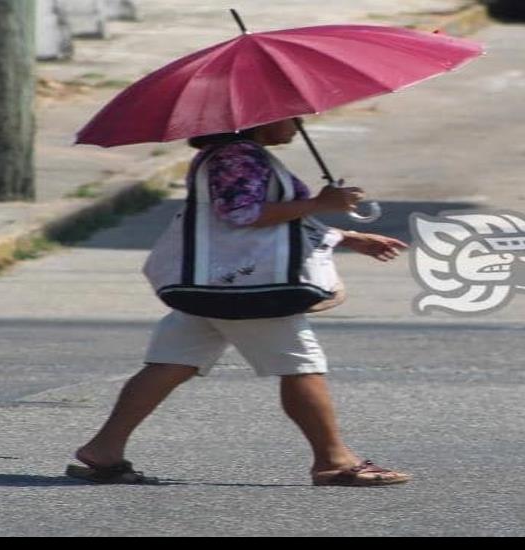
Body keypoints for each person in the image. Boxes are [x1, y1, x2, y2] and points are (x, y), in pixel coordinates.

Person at [68, 118, 412, 487]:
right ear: (262, 120)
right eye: (290, 116)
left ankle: (105, 448)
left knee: (171, 363)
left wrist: (345, 236)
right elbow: (242, 215)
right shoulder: (238, 157)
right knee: (301, 366)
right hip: (249, 285)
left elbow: (270, 219)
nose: (297, 124)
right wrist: (320, 203)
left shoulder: (238, 155)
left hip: (215, 281)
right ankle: (333, 459)